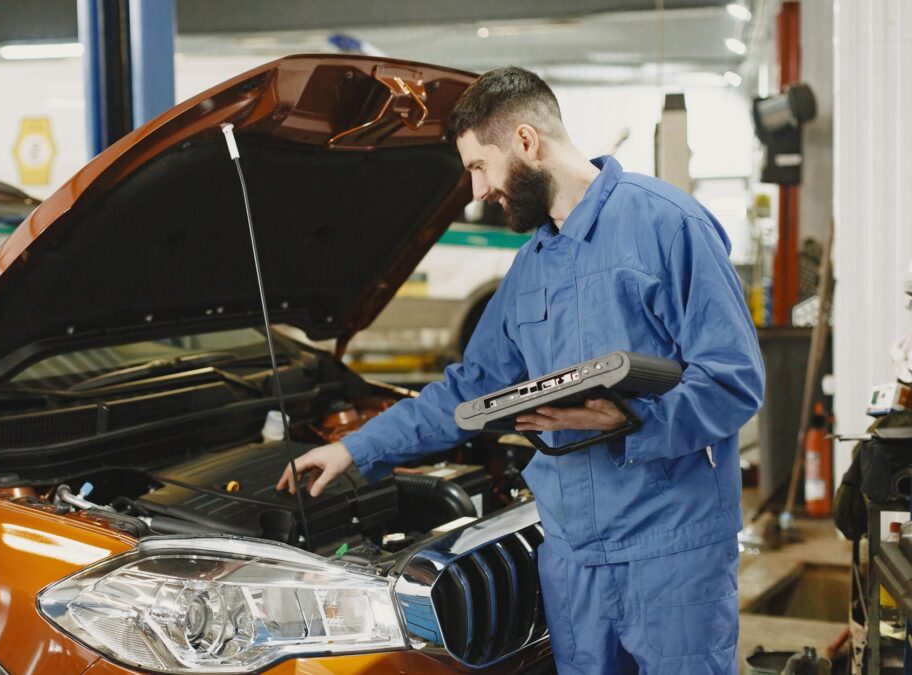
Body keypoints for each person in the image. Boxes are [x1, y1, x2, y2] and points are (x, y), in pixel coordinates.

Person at [277, 66, 764, 674]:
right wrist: (355, 449)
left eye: (480, 167)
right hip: (572, 555)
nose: (477, 191)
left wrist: (627, 419)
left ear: (526, 142)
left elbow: (733, 379)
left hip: (669, 547)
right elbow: (469, 389)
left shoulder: (667, 225)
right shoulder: (532, 266)